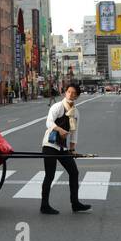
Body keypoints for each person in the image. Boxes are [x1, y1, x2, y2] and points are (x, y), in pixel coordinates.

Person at [40, 84, 90, 214]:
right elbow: (48, 122)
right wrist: (59, 129)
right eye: (68, 92)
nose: (70, 95)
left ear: (77, 96)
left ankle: (75, 203)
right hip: (50, 145)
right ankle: (44, 205)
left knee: (74, 172)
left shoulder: (76, 112)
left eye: (73, 93)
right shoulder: (58, 107)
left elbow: (74, 132)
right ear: (65, 93)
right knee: (50, 175)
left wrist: (72, 149)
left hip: (62, 147)